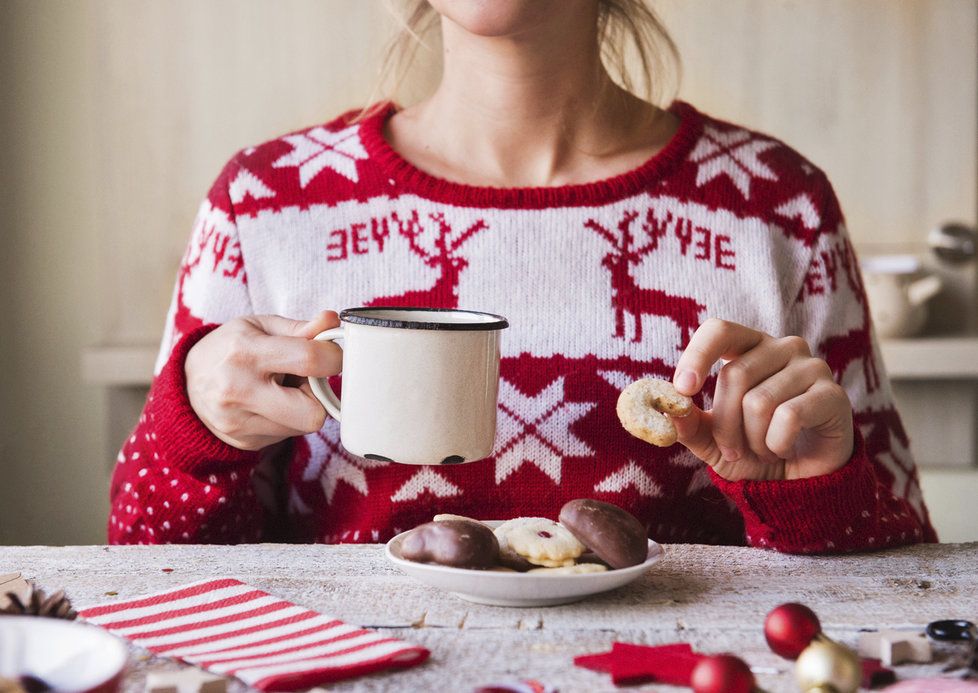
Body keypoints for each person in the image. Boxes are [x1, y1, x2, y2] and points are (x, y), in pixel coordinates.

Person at [108, 0, 936, 552]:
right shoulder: (265, 205)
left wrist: (815, 491)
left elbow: (904, 599)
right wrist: (193, 434)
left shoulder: (777, 206)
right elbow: (145, 576)